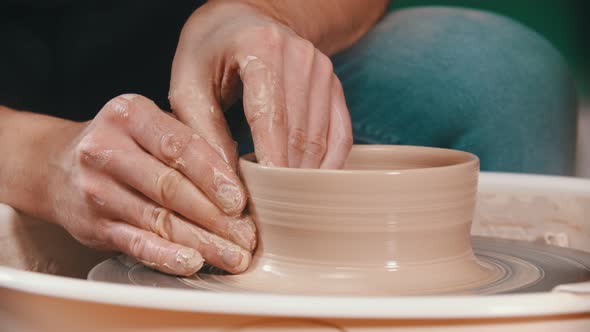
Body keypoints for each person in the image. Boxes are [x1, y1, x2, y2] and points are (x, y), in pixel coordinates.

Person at [0, 1, 576, 276]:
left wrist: (256, 14)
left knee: (494, 73)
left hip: (232, 109)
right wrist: (45, 161)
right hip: (22, 140)